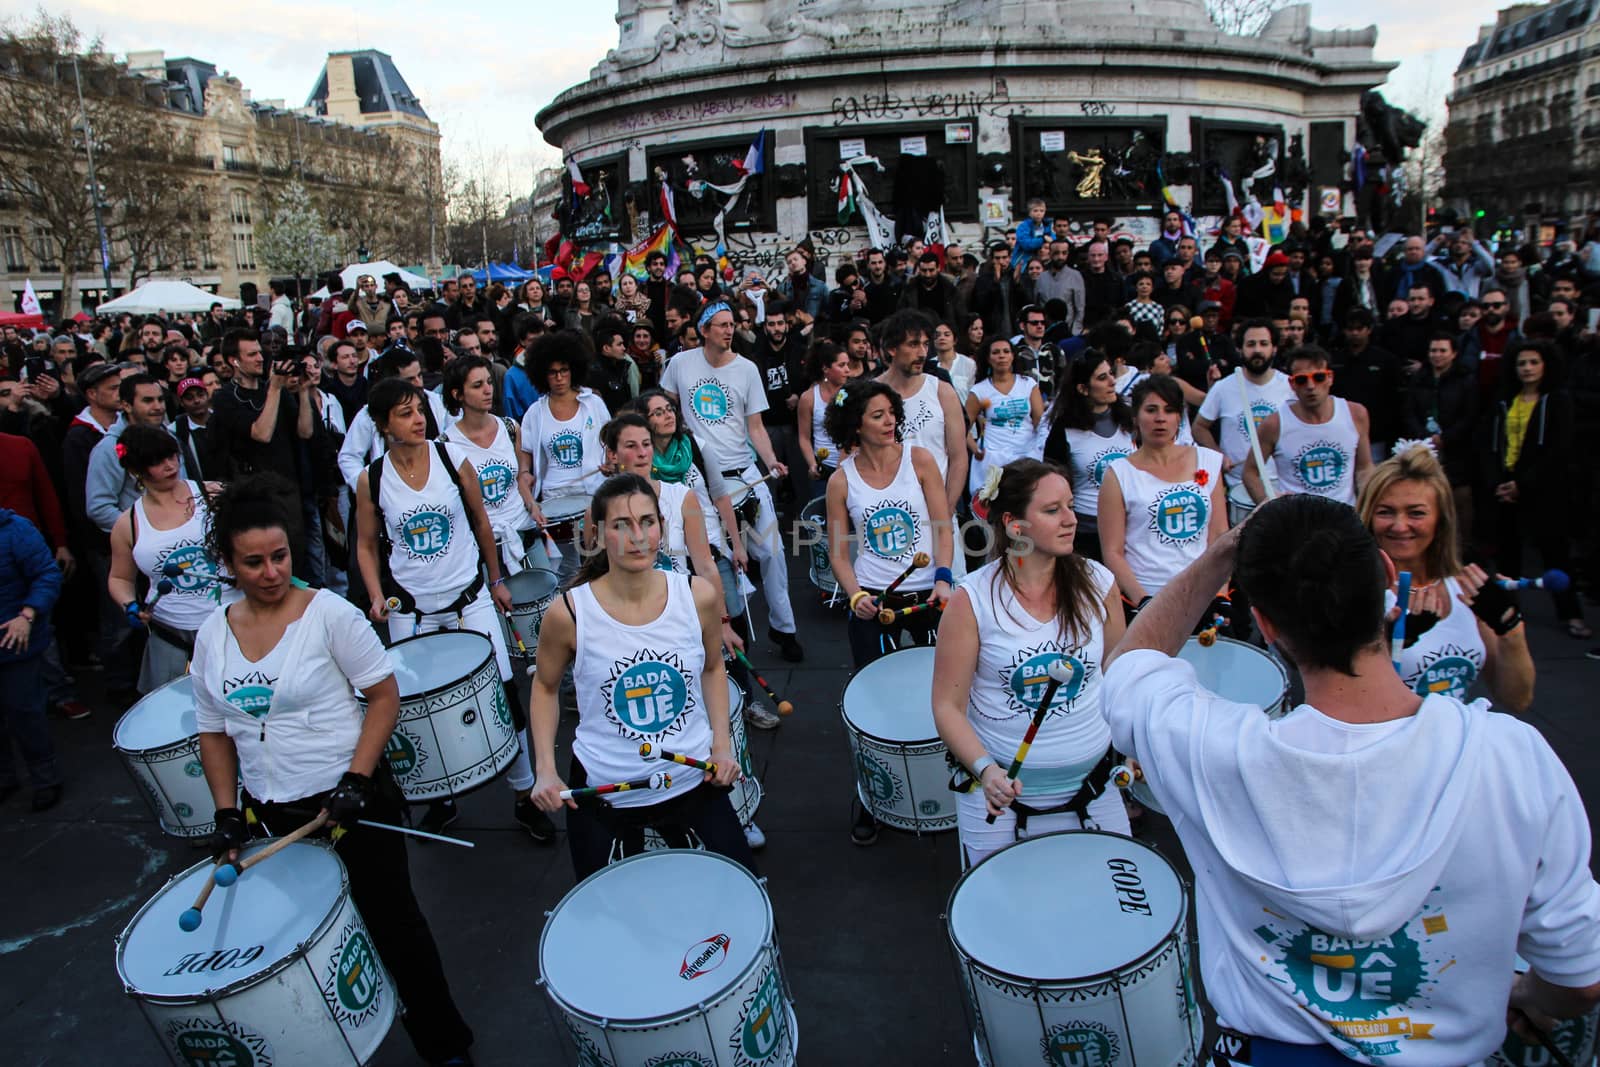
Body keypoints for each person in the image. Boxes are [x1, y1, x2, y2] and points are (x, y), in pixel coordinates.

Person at [1101, 493, 1600, 1063]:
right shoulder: (1512, 757)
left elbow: (1130, 667)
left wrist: (1223, 553)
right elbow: (1580, 977)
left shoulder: (1215, 755)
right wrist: (1522, 992)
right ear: (1388, 575)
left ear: (1265, 623)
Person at [190, 476, 476, 1066]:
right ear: (228, 564)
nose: (271, 572)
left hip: (352, 805)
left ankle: (444, 1045)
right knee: (306, 942)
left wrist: (357, 778)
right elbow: (214, 730)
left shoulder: (330, 614)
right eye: (254, 562)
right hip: (273, 812)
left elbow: (384, 695)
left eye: (279, 557)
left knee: (395, 929)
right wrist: (224, 811)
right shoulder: (212, 634)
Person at [354, 377, 553, 841]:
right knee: (416, 706)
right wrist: (374, 594)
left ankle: (524, 795)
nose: (418, 419)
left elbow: (482, 523)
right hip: (413, 610)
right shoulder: (373, 479)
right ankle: (438, 798)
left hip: (469, 598)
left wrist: (496, 579)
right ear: (384, 425)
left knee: (502, 697)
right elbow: (366, 545)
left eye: (420, 409)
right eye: (404, 413)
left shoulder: (451, 459)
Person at [527, 473, 749, 878]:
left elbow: (713, 668)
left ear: (662, 528)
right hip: (606, 792)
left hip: (694, 776)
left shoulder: (698, 596)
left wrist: (722, 746)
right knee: (611, 920)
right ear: (596, 534)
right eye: (621, 525)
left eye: (647, 521)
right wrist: (545, 767)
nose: (638, 536)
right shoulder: (568, 614)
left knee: (738, 894)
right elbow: (544, 688)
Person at [933, 459, 1128, 866]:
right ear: (1015, 524)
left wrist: (1135, 744)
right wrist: (986, 771)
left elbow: (1121, 679)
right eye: (1053, 510)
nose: (1071, 520)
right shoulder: (973, 600)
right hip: (1000, 795)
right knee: (1003, 919)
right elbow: (947, 707)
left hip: (1094, 786)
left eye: (1071, 506)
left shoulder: (1099, 584)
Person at [824, 380, 954, 844]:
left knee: (948, 693)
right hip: (874, 599)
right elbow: (840, 554)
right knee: (873, 705)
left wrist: (943, 577)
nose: (890, 421)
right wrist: (856, 596)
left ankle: (956, 781)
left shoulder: (919, 461)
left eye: (890, 412)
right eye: (878, 415)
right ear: (855, 423)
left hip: (929, 596)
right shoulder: (841, 479)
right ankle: (872, 796)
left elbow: (943, 526)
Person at [661, 302, 803, 662]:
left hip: (744, 470)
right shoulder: (679, 364)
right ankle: (718, 629)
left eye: (732, 325)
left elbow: (755, 426)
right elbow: (666, 409)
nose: (730, 330)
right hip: (698, 476)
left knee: (771, 552)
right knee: (709, 556)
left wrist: (771, 461)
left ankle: (783, 628)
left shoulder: (747, 369)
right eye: (722, 325)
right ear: (704, 329)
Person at [1359, 444, 1534, 710]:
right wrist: (1390, 639)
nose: (1399, 525)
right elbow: (1347, 699)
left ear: (1441, 520)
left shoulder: (1464, 587)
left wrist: (1510, 627)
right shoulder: (1352, 589)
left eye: (1416, 513)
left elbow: (1516, 699)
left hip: (1454, 744)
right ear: (1369, 516)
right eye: (1386, 511)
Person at [106, 425, 224, 693]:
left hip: (230, 623)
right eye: (157, 461)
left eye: (172, 456)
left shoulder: (213, 495)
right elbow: (119, 577)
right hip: (172, 635)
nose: (170, 465)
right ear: (136, 471)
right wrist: (129, 605)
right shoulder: (128, 524)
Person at [1485, 340, 1589, 638]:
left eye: (1533, 362)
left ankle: (1571, 613)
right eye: (1522, 363)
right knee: (1507, 556)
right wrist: (1499, 482)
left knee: (1555, 552)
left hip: (1544, 490)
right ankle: (1507, 615)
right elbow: (1490, 444)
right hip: (1505, 486)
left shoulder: (1557, 400)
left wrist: (1524, 484)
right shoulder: (1505, 400)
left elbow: (1558, 449)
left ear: (1546, 365)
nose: (1527, 369)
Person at [1099, 376, 1227, 611]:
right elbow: (1112, 551)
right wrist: (1143, 601)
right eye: (1151, 410)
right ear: (1136, 417)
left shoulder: (1208, 460)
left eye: (1169, 410)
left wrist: (1220, 593)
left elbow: (1219, 534)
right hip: (1147, 595)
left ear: (1179, 417)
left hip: (1202, 592)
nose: (1160, 418)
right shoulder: (1118, 474)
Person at [515, 332, 611, 587]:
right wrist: (526, 479)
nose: (558, 378)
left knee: (600, 563)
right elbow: (524, 462)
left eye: (564, 370)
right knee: (568, 571)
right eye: (552, 372)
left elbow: (612, 444)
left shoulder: (594, 404)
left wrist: (611, 463)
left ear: (574, 370)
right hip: (554, 504)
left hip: (592, 496)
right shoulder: (535, 413)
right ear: (541, 375)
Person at [438, 355, 537, 580]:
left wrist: (532, 504)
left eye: (489, 382)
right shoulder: (446, 445)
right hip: (482, 545)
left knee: (545, 602)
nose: (487, 390)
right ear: (458, 394)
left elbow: (519, 478)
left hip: (523, 531)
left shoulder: (510, 428)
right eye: (477, 385)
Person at [1243, 345, 1373, 508]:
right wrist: (1271, 507)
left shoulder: (1356, 414)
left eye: (1318, 377)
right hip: (1297, 522)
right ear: (1291, 384)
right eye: (1301, 380)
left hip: (1345, 518)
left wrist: (1366, 502)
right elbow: (1250, 472)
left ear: (1330, 378)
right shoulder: (1274, 424)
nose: (1311, 386)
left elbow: (1364, 467)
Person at [1194, 319, 1294, 524]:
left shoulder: (1290, 386)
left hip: (1282, 484)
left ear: (1274, 348)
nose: (1257, 350)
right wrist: (1218, 455)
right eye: (1251, 344)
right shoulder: (1223, 388)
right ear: (1239, 349)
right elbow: (1199, 427)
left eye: (1264, 344)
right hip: (1238, 485)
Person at [1041, 354, 1135, 562]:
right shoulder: (1064, 429)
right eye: (1102, 378)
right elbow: (1053, 484)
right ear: (1083, 388)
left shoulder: (1130, 421)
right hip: (1086, 535)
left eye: (1111, 374)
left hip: (1132, 529)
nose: (1112, 381)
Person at [0, 508, 63, 811]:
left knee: (25, 712)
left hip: (14, 643)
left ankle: (45, 779)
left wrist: (27, 614)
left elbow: (47, 574)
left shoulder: (15, 530)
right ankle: (4, 778)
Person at [965, 335, 1042, 500]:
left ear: (1013, 356)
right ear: (988, 358)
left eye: (1006, 351)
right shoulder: (979, 390)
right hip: (993, 457)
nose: (1001, 356)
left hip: (1028, 455)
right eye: (996, 352)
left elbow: (1040, 423)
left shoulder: (1029, 384)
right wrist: (975, 449)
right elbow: (962, 426)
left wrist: (1040, 448)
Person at [797, 340, 851, 498]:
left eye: (847, 365)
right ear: (826, 368)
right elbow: (804, 437)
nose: (847, 370)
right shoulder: (808, 398)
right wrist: (812, 464)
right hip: (824, 468)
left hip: (851, 465)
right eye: (841, 365)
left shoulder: (853, 394)